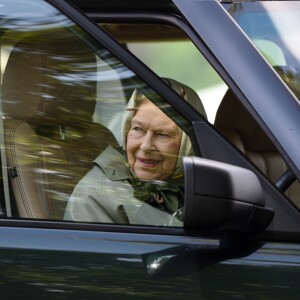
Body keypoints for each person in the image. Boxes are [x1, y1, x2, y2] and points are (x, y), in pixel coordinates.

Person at [64, 78, 207, 226]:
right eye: (137, 129)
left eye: (162, 134)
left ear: (189, 143)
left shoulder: (208, 183)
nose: (145, 146)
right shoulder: (95, 195)